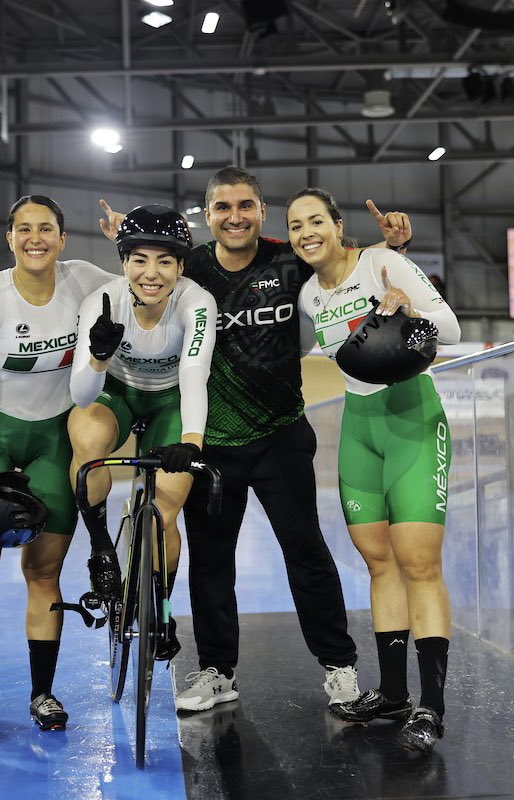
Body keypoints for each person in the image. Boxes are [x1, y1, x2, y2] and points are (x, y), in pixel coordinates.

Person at [99, 167, 412, 714]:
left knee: (306, 554)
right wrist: (131, 241)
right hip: (211, 441)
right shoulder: (188, 268)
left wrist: (394, 247)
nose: (235, 216)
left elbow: (347, 264)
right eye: (223, 207)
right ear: (208, 215)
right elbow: (140, 286)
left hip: (280, 435)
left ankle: (339, 666)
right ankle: (218, 671)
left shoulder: (288, 260)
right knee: (213, 561)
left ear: (261, 212)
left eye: (245, 205)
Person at [290, 187, 460, 752]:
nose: (306, 232)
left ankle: (431, 707)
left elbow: (451, 327)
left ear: (338, 226)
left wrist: (413, 310)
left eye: (316, 220)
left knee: (418, 563)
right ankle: (392, 693)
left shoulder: (382, 262)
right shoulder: (311, 295)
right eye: (295, 226)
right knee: (378, 561)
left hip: (411, 416)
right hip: (359, 425)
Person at [0, 195, 112, 736]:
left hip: (52, 437)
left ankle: (42, 693)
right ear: (9, 239)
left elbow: (150, 277)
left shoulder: (85, 280)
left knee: (44, 571)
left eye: (46, 229)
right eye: (23, 229)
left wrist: (124, 239)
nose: (35, 238)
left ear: (62, 239)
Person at [68, 205, 217, 659]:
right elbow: (79, 395)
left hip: (171, 399)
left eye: (165, 261)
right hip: (117, 392)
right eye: (140, 260)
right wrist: (96, 358)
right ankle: (101, 551)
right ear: (123, 262)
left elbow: (193, 374)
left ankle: (162, 608)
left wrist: (190, 444)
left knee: (165, 511)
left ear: (181, 267)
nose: (151, 274)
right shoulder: (102, 302)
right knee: (88, 444)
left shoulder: (197, 302)